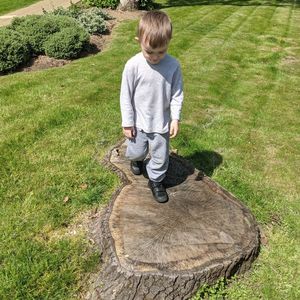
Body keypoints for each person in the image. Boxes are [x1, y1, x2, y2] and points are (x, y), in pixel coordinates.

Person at [120, 10, 184, 203]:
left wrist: (175, 118)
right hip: (138, 123)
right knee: (137, 150)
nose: (155, 57)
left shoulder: (173, 66)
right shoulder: (133, 65)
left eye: (161, 52)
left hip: (161, 123)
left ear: (169, 42)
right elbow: (125, 96)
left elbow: (177, 93)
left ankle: (156, 181)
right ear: (138, 40)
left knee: (160, 156)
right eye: (149, 51)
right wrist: (127, 122)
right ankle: (137, 159)